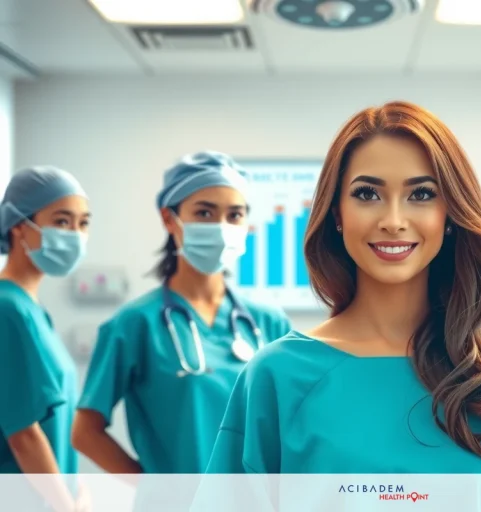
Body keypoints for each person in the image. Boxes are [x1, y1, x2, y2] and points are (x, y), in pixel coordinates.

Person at [203, 102, 481, 474]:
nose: (393, 220)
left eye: (421, 194)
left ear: (450, 215)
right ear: (336, 213)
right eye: (367, 194)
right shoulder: (277, 376)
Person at [71, 151, 292, 477]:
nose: (221, 227)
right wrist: (150, 487)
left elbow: (292, 423)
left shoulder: (269, 323)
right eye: (204, 213)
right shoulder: (134, 325)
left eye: (235, 215)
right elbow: (85, 432)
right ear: (168, 218)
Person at [0, 167, 90, 510]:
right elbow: (23, 433)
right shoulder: (7, 309)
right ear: (19, 227)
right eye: (62, 222)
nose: (76, 234)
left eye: (83, 223)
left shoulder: (33, 309)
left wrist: (77, 488)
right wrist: (64, 505)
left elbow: (55, 420)